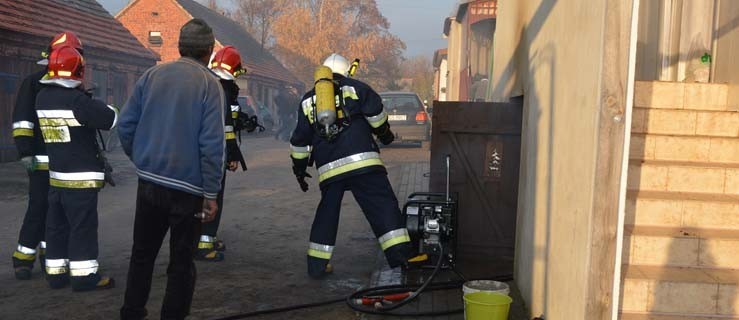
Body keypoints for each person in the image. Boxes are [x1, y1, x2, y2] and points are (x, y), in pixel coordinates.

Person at [118, 19, 224, 320]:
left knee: (142, 255)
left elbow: (126, 126)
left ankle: (132, 312)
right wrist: (211, 193)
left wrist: (142, 158)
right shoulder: (209, 85)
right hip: (188, 192)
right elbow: (212, 144)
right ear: (209, 50)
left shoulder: (152, 75)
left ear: (180, 46)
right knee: (180, 263)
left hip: (149, 184)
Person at [289, 53, 426, 279]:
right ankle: (402, 257)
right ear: (345, 70)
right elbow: (376, 118)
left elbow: (299, 141)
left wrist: (300, 170)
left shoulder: (307, 100)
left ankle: (316, 266)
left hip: (329, 170)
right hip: (363, 162)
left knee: (327, 213)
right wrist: (385, 134)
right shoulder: (357, 88)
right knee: (382, 205)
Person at [35, 44, 118, 291]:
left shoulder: (41, 97)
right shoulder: (78, 101)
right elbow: (110, 119)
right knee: (82, 227)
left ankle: (56, 274)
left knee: (57, 227)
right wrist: (103, 103)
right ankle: (84, 277)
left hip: (57, 176)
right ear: (78, 71)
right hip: (81, 179)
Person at [10, 31, 83, 280]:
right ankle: (23, 259)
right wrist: (25, 152)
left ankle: (50, 258)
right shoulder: (33, 82)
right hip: (40, 161)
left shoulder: (75, 85)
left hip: (64, 162)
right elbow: (22, 120)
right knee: (39, 207)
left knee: (57, 212)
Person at [195, 45, 247, 261]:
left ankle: (206, 237)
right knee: (213, 195)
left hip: (199, 150)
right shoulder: (222, 90)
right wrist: (233, 155)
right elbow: (225, 128)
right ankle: (204, 243)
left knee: (204, 194)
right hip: (215, 153)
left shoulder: (205, 83)